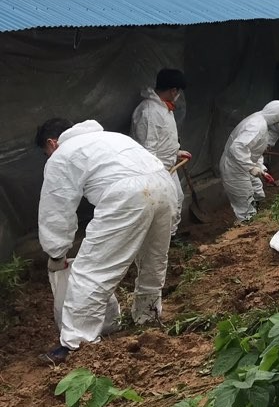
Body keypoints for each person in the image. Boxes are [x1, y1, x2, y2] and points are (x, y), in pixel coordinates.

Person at [36, 118, 179, 364]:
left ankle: (78, 344)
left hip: (128, 194)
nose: (48, 157)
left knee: (90, 271)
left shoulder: (62, 155)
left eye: (46, 152)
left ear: (52, 143)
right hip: (164, 185)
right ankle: (147, 317)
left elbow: (56, 209)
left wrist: (57, 252)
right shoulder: (110, 138)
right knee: (153, 259)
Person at [130, 68, 191, 234]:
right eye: (178, 92)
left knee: (176, 199)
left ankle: (170, 237)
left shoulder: (164, 108)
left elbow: (163, 138)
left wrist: (177, 152)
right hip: (156, 170)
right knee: (166, 206)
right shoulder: (149, 112)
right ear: (173, 91)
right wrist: (156, 175)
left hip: (167, 167)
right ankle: (163, 241)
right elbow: (148, 148)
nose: (178, 95)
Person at [219, 100, 279, 224]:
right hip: (234, 168)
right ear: (276, 117)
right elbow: (237, 148)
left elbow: (253, 151)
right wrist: (251, 168)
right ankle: (244, 230)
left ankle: (255, 219)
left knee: (257, 192)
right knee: (245, 204)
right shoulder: (257, 126)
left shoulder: (262, 122)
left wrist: (262, 170)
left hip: (243, 164)